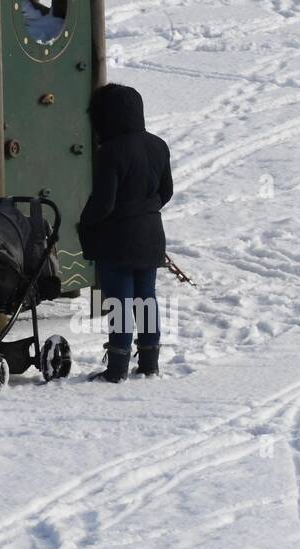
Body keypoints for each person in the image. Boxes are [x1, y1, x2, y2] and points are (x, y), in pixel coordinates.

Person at [78, 83, 173, 381]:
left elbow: (104, 204)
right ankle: (149, 363)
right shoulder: (158, 145)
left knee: (120, 301)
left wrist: (85, 223)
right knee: (146, 298)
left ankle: (117, 368)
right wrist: (145, 207)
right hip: (151, 234)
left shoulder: (110, 152)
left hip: (117, 239)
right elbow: (166, 192)